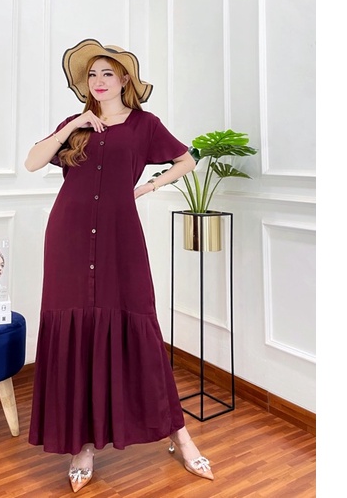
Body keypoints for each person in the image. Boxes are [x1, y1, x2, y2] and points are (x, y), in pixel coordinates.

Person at [25, 38, 214, 492]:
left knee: (139, 322)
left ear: (125, 79)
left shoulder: (145, 125)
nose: (99, 81)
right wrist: (73, 125)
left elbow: (186, 160)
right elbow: (32, 162)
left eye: (107, 73)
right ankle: (82, 446)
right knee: (78, 331)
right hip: (68, 236)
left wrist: (147, 187)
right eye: (92, 75)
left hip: (120, 235)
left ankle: (180, 436)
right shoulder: (75, 126)